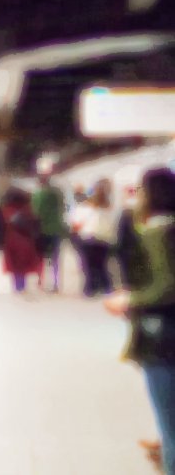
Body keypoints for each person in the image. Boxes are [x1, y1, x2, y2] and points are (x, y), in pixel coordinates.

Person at [104, 168, 175, 475]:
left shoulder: (158, 233)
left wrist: (128, 299)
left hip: (163, 339)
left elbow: (166, 286)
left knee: (170, 426)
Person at [74, 180, 119, 297]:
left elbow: (76, 224)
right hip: (104, 240)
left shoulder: (85, 208)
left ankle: (90, 288)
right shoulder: (110, 209)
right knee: (101, 265)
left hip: (88, 238)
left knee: (89, 266)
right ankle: (105, 288)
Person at [1, 189, 42, 293]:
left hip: (11, 241)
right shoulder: (27, 210)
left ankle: (17, 287)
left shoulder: (7, 211)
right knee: (22, 265)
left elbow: (2, 226)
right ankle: (21, 287)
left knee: (15, 266)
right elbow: (35, 225)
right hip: (26, 241)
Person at [32, 176, 67, 291]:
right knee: (55, 257)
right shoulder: (58, 194)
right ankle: (56, 282)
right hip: (56, 229)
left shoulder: (38, 195)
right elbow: (63, 209)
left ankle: (41, 280)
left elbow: (36, 212)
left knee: (41, 257)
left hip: (42, 229)